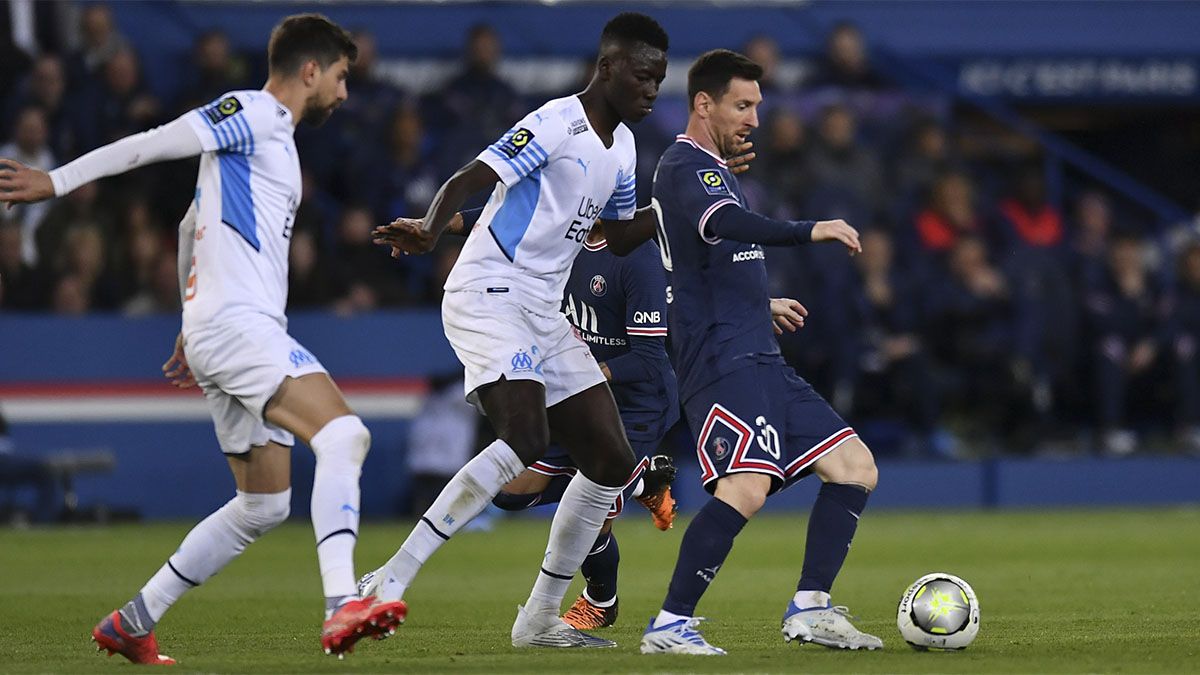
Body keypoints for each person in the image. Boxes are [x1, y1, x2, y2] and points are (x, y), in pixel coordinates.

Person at [0, 13, 404, 663]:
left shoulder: (271, 141)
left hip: (223, 329)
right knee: (344, 435)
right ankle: (341, 604)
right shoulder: (252, 111)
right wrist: (56, 182)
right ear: (309, 70)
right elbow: (152, 142)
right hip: (241, 325)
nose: (345, 92)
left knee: (264, 503)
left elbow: (192, 223)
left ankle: (135, 618)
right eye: (340, 76)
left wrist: (190, 325)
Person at [361, 12, 672, 649]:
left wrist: (671, 208)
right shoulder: (556, 122)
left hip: (541, 307)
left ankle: (538, 620)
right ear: (608, 67)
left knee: (612, 461)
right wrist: (430, 225)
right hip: (488, 291)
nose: (651, 89)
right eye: (643, 75)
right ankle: (387, 581)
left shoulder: (624, 149)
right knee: (526, 435)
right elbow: (472, 178)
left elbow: (612, 239)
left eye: (660, 79)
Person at [635, 49, 881, 655]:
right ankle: (669, 626)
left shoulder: (714, 167)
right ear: (703, 103)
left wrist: (758, 304)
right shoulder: (685, 165)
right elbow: (728, 226)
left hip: (755, 350)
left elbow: (702, 258)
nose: (755, 119)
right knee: (743, 489)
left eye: (757, 107)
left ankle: (811, 608)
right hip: (720, 359)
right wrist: (809, 229)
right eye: (742, 105)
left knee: (854, 467)